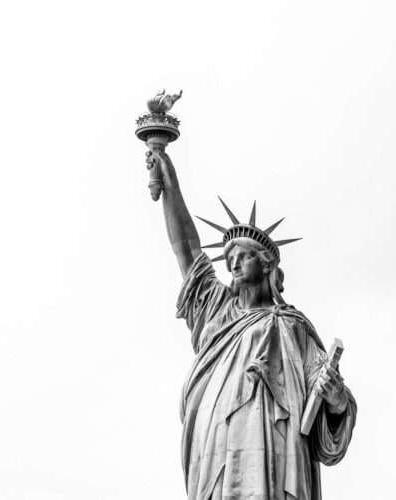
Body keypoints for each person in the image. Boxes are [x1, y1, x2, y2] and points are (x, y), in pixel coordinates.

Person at [145, 142, 356, 500]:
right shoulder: (217, 311)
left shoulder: (292, 327)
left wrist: (336, 398)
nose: (233, 264)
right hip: (215, 455)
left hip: (275, 454)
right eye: (230, 260)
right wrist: (169, 183)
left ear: (268, 265)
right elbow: (187, 250)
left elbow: (325, 399)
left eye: (244, 256)